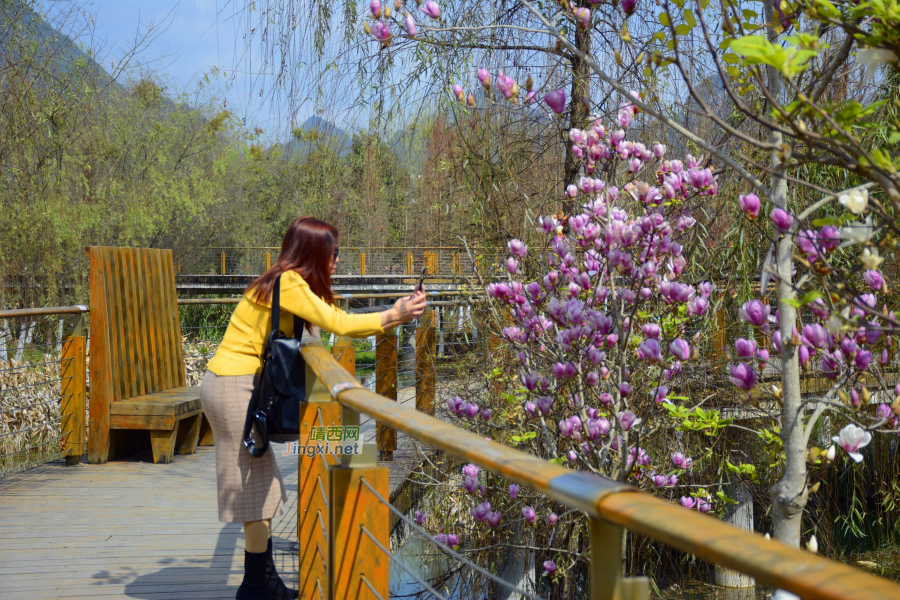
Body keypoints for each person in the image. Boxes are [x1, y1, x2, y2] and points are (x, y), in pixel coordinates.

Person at [200, 216, 426, 600]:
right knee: (257, 488)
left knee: (262, 487)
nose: (338, 260)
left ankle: (261, 581)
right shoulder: (288, 282)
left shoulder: (288, 283)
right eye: (334, 252)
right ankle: (255, 586)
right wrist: (394, 315)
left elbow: (316, 329)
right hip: (233, 387)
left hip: (238, 385)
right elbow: (338, 322)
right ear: (314, 252)